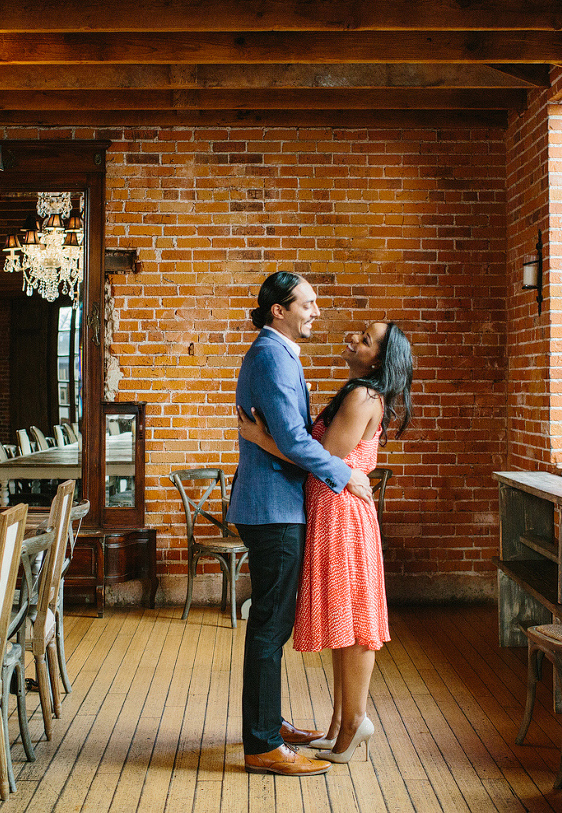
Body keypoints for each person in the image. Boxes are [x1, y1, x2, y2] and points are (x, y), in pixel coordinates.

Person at [239, 319, 413, 765]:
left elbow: (322, 459)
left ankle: (354, 722)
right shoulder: (357, 391)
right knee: (342, 617)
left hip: (341, 514)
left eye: (366, 340)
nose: (352, 338)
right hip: (330, 510)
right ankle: (339, 722)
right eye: (357, 332)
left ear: (379, 359)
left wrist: (261, 438)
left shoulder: (361, 396)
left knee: (353, 622)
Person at [229, 271, 374, 777]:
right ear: (279, 310)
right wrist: (345, 474)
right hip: (274, 507)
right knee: (271, 625)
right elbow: (291, 439)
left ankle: (267, 726)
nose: (316, 311)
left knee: (271, 623)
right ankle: (263, 744)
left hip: (275, 503)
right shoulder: (272, 356)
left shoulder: (276, 353)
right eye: (307, 303)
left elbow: (284, 435)